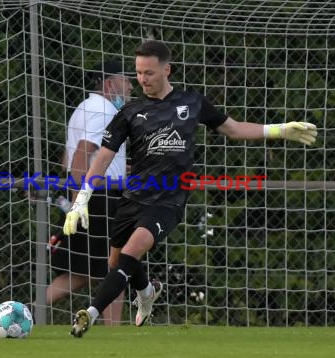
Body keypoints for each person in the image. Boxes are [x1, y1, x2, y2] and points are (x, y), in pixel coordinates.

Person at [63, 40, 318, 337]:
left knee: (131, 253)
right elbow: (103, 157)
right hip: (134, 196)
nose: (142, 79)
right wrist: (81, 199)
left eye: (149, 72)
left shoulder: (192, 102)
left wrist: (279, 130)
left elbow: (233, 129)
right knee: (116, 261)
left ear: (166, 70)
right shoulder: (131, 111)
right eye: (138, 73)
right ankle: (146, 292)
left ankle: (89, 315)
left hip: (169, 199)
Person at [47, 60, 133, 325]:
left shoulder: (83, 108)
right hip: (99, 198)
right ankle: (114, 330)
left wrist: (119, 168)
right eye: (125, 80)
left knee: (82, 272)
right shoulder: (105, 110)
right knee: (114, 265)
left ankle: (29, 309)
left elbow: (67, 160)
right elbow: (81, 156)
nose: (131, 86)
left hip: (93, 195)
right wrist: (78, 204)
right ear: (109, 84)